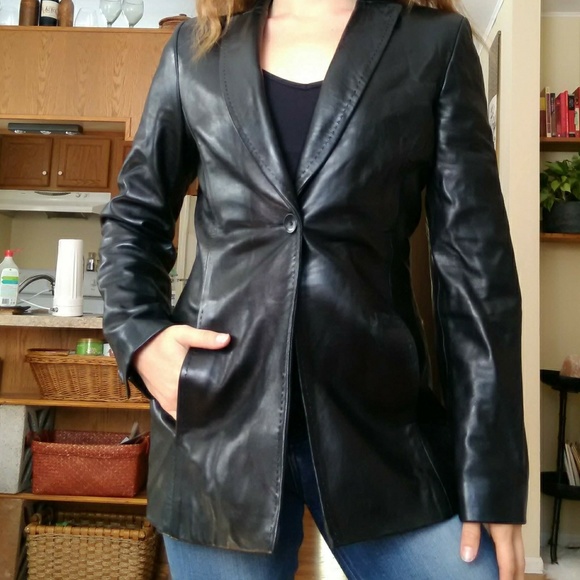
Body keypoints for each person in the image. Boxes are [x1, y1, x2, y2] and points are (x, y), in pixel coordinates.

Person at [98, 0, 529, 578]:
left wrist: (490, 475)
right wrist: (142, 339)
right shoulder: (195, 49)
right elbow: (135, 217)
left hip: (382, 430)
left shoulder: (436, 44)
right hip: (217, 427)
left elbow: (476, 273)